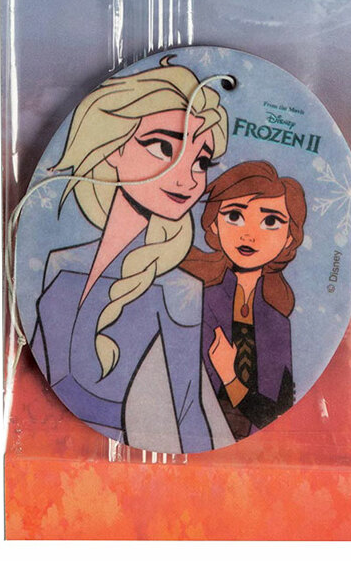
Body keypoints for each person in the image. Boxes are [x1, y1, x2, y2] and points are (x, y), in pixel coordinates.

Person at [27, 57, 229, 453]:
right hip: (46, 448)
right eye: (164, 147)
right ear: (113, 148)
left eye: (201, 161)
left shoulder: (179, 289)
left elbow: (187, 415)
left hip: (134, 466)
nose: (187, 178)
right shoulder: (60, 263)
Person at [182, 161, 307, 440]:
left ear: (289, 238)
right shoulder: (198, 301)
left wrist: (230, 377)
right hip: (196, 437)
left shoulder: (278, 323)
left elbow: (277, 413)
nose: (249, 234)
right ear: (214, 223)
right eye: (234, 215)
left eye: (270, 222)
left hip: (252, 447)